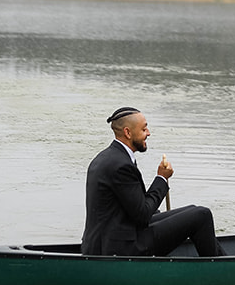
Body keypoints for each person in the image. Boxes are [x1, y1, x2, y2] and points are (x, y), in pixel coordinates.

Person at [82, 106, 225, 258]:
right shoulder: (121, 165)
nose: (148, 133)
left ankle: (224, 259)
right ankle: (221, 269)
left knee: (191, 209)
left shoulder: (107, 157)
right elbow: (143, 215)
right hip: (120, 248)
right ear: (127, 132)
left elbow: (135, 208)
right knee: (201, 215)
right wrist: (161, 179)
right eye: (144, 129)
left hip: (108, 239)